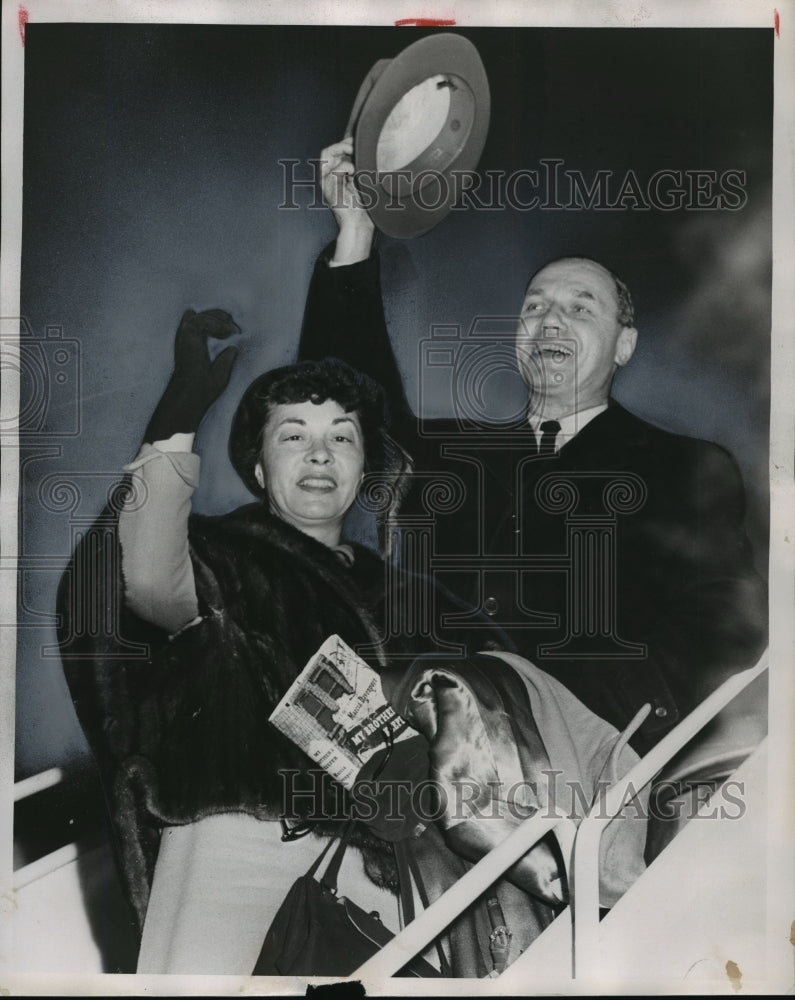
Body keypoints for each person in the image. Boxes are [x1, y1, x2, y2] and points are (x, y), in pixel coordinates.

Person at [57, 308, 650, 976]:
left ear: (365, 466)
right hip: (242, 833)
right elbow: (145, 580)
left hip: (385, 853)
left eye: (342, 438)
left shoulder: (415, 601)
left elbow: (517, 705)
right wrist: (180, 411)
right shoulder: (218, 556)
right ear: (257, 468)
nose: (319, 453)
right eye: (292, 436)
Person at [298, 138, 768, 754]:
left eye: (581, 308)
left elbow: (721, 642)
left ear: (624, 344)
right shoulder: (447, 458)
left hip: (583, 771)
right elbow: (342, 402)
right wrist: (355, 233)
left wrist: (568, 723)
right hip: (418, 769)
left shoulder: (688, 470)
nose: (550, 321)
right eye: (535, 307)